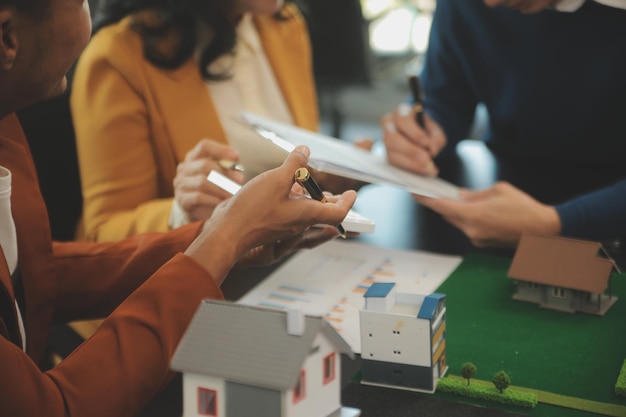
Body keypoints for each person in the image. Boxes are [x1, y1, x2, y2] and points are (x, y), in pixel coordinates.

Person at [0, 0, 356, 415]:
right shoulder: (118, 55)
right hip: (123, 352)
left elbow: (34, 273)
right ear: (8, 38)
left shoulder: (7, 121)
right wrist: (225, 237)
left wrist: (230, 236)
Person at [70, 0, 367, 243]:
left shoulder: (284, 24)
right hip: (175, 292)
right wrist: (180, 214)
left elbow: (290, 169)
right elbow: (103, 234)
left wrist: (342, 171)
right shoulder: (116, 57)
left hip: (282, 263)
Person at [382, 0, 626, 248]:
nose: (489, 3)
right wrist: (420, 133)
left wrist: (558, 223)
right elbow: (444, 93)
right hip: (504, 191)